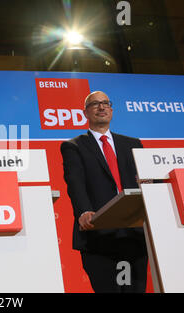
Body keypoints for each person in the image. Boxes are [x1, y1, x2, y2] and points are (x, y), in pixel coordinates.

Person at [60, 91, 148, 293]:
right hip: (99, 235)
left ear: (111, 109)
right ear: (85, 113)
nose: (101, 107)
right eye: (95, 104)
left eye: (106, 103)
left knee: (134, 289)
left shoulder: (133, 144)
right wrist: (84, 212)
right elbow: (75, 183)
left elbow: (147, 178)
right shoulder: (73, 146)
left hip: (134, 235)